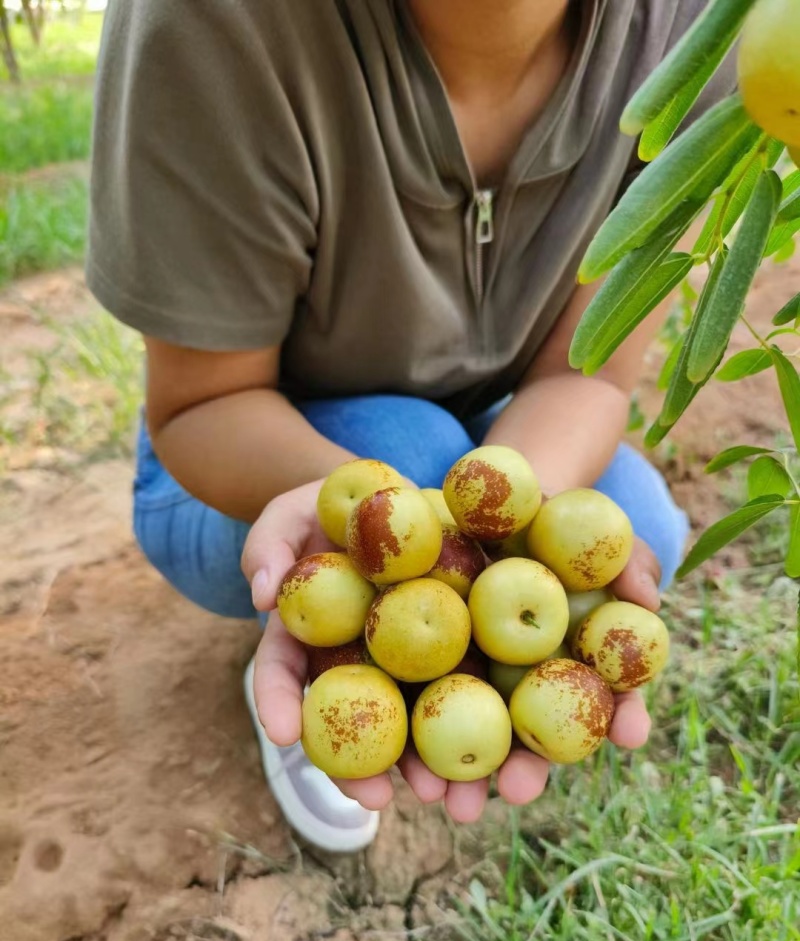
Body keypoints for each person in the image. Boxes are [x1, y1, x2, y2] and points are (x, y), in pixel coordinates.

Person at [87, 0, 733, 853]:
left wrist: (496, 533)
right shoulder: (209, 23)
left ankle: (363, 623)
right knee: (413, 451)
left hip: (483, 416)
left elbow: (587, 369)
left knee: (639, 530)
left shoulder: (711, 32)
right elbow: (201, 407)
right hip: (237, 443)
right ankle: (325, 656)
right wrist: (378, 523)